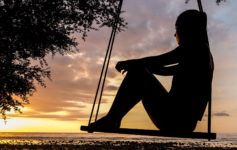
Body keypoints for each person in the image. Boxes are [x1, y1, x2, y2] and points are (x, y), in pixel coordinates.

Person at [89, 9, 214, 133]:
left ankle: (112, 119)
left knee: (138, 73)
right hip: (183, 122)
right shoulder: (201, 55)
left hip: (175, 119)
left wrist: (132, 64)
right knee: (140, 71)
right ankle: (113, 119)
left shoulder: (196, 48)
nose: (175, 34)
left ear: (187, 29)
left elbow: (161, 60)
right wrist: (141, 66)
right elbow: (163, 69)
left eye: (176, 29)